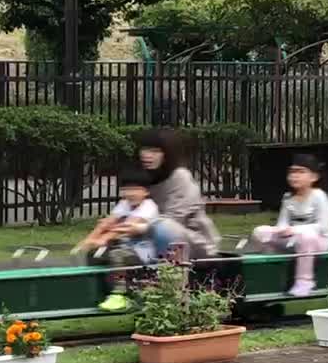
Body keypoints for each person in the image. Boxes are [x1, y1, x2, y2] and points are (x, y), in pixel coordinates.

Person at [76, 167, 160, 312]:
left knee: (117, 255)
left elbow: (124, 227)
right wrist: (90, 240)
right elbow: (108, 223)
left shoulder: (149, 207)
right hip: (126, 248)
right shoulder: (124, 204)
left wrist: (103, 239)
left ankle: (119, 295)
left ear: (146, 191)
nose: (130, 193)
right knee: (95, 253)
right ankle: (99, 292)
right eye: (127, 189)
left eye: (135, 189)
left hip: (144, 253)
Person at [253, 155, 328, 297]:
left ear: (314, 177)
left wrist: (295, 230)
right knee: (260, 232)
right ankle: (275, 271)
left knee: (307, 236)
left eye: (301, 172)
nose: (295, 176)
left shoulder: (319, 196)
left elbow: (323, 226)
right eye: (292, 172)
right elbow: (282, 222)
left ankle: (305, 281)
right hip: (294, 239)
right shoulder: (288, 198)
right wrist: (281, 229)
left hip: (318, 241)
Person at [140, 128, 220, 260]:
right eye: (145, 149)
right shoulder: (140, 180)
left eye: (155, 151)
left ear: (167, 154)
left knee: (164, 228)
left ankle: (174, 277)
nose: (148, 155)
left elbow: (174, 220)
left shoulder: (180, 177)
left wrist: (140, 227)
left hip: (194, 244)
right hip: (150, 240)